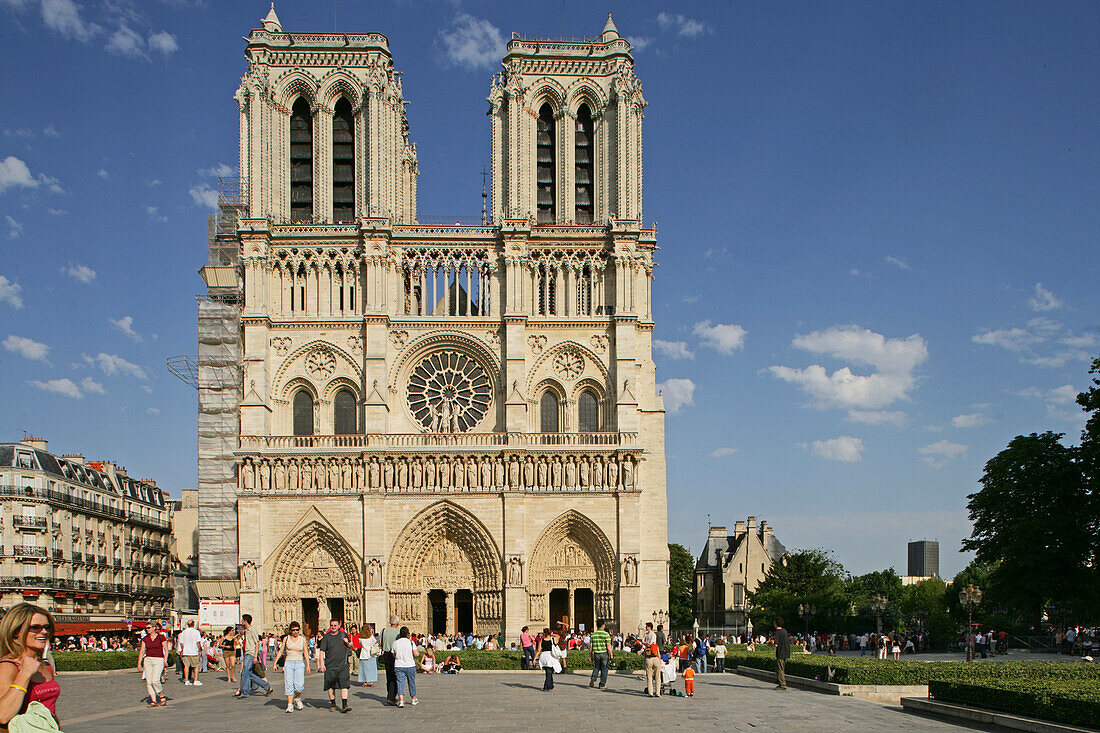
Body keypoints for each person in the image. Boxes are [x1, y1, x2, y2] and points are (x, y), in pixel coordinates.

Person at [0, 603, 61, 729]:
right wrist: (24, 674)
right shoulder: (8, 666)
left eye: (46, 627)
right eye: (35, 627)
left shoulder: (45, 665)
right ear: (16, 631)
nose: (44, 632)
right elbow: (3, 715)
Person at [317, 618, 351, 713]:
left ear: (339, 626)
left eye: (335, 625)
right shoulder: (326, 637)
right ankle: (333, 703)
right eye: (331, 625)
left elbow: (351, 645)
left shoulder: (343, 635)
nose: (333, 627)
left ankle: (344, 705)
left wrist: (347, 642)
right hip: (330, 665)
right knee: (330, 685)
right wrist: (322, 664)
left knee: (344, 684)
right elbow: (322, 651)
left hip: (343, 664)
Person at [275, 621, 309, 713]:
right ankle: (289, 704)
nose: (295, 632)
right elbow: (281, 651)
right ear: (290, 630)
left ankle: (297, 698)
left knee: (299, 685)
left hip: (299, 663)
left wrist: (308, 665)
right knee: (289, 684)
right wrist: (275, 663)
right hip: (289, 663)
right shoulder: (286, 639)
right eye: (293, 630)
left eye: (297, 630)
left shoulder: (302, 639)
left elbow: (305, 652)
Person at [235, 614, 271, 699]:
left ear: (245, 621)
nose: (241, 621)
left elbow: (256, 643)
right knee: (249, 674)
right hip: (247, 653)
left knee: (244, 673)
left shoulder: (252, 630)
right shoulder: (247, 631)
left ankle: (245, 692)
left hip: (251, 654)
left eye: (242, 620)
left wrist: (255, 656)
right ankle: (266, 686)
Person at [137, 622, 168, 707]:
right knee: (149, 681)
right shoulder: (145, 638)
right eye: (146, 628)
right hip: (148, 660)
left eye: (149, 627)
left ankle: (161, 696)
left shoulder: (161, 637)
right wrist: (139, 663)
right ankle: (153, 700)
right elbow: (142, 651)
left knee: (155, 680)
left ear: (154, 628)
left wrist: (165, 660)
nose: (147, 629)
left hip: (158, 659)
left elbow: (166, 649)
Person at [392, 626, 418, 708]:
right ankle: (413, 699)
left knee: (400, 683)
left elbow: (393, 654)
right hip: (410, 665)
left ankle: (401, 700)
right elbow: (416, 654)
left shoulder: (395, 643)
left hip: (399, 665)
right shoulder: (410, 642)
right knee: (411, 682)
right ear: (407, 634)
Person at [588, 619, 613, 690]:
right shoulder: (606, 634)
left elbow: (591, 646)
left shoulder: (593, 634)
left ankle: (594, 677)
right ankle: (602, 684)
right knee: (604, 669)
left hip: (596, 653)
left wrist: (590, 655)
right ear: (603, 625)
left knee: (596, 667)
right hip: (604, 653)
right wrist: (611, 654)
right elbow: (608, 645)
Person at [381, 615, 400, 705]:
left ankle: (390, 694)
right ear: (398, 623)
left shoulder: (384, 631)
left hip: (385, 654)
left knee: (388, 676)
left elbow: (381, 643)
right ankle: (391, 697)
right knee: (394, 676)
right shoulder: (398, 633)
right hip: (394, 655)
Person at [178, 620, 203, 686]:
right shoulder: (196, 632)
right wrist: (199, 650)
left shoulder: (184, 632)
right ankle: (195, 680)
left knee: (186, 666)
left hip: (186, 652)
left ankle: (186, 680)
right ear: (193, 624)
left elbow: (181, 642)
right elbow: (198, 642)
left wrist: (183, 649)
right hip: (194, 651)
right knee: (196, 666)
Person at [642, 622, 661, 698]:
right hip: (655, 656)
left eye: (646, 626)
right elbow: (651, 643)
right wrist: (648, 643)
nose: (645, 627)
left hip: (648, 656)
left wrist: (646, 643)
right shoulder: (652, 634)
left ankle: (651, 692)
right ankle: (657, 692)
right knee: (657, 676)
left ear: (649, 627)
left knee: (649, 676)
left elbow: (644, 642)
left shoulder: (648, 635)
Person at [773, 617, 790, 691]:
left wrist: (769, 644)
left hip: (780, 652)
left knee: (779, 669)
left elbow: (776, 644)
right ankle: (780, 681)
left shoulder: (777, 632)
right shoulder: (784, 631)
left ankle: (782, 685)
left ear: (776, 623)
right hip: (786, 651)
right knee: (782, 668)